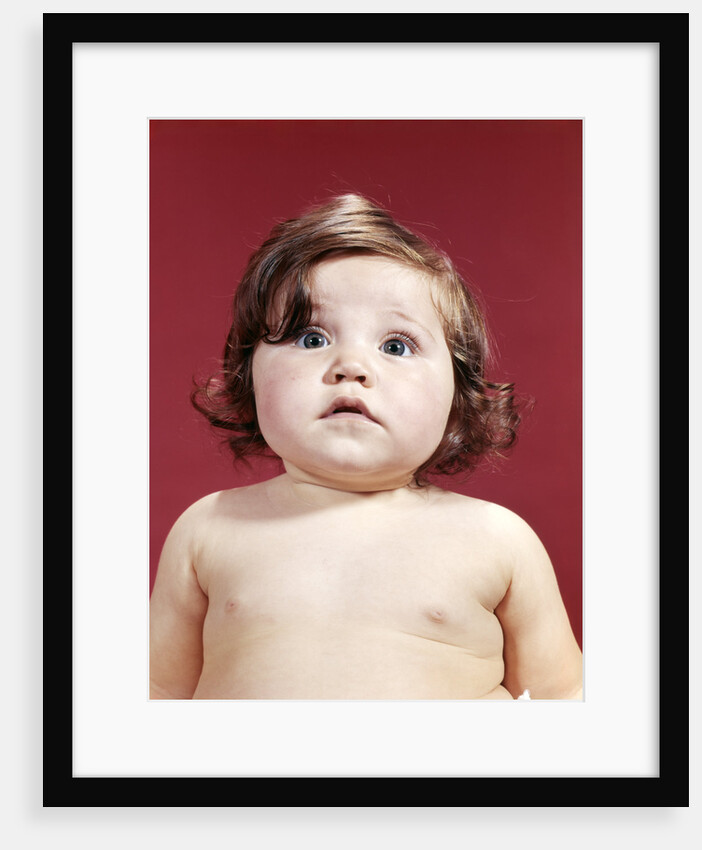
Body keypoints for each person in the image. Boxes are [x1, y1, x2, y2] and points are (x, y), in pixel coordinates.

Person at [149, 193, 583, 700]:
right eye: (311, 338)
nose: (350, 365)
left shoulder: (498, 539)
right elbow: (156, 693)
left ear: (458, 394)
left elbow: (564, 699)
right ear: (247, 375)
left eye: (396, 346)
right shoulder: (210, 527)